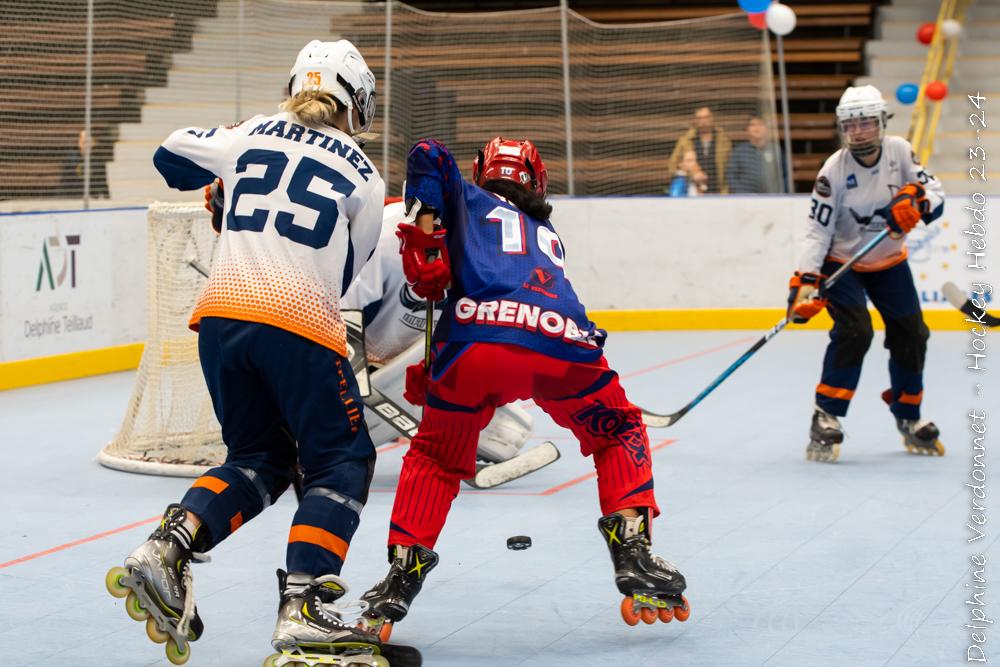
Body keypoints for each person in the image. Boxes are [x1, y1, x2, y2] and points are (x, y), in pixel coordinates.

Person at [104, 40, 386, 666]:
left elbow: (169, 153)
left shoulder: (251, 131)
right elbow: (346, 272)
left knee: (260, 458)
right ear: (356, 103)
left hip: (220, 321)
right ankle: (304, 608)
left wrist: (228, 178)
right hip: (299, 323)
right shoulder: (365, 174)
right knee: (341, 462)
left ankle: (166, 549)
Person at [358, 136, 689, 641]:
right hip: (561, 346)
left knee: (435, 458)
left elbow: (428, 153)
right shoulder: (546, 231)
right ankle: (634, 553)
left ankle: (399, 580)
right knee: (619, 430)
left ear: (481, 172)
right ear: (538, 182)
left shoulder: (468, 199)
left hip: (473, 344)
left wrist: (424, 240)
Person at [786, 85, 945, 463]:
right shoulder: (833, 172)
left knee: (912, 333)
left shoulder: (901, 151)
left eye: (866, 123)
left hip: (888, 261)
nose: (858, 132)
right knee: (855, 331)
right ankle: (826, 415)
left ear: (881, 123)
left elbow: (934, 192)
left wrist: (918, 201)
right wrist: (806, 281)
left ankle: (909, 415)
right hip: (840, 262)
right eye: (850, 125)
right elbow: (817, 230)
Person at [340, 200, 538, 472]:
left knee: (507, 435)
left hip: (421, 353)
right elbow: (342, 312)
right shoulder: (381, 236)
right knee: (331, 442)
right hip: (359, 358)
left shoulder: (481, 243)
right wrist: (353, 384)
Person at [667, 106, 731, 194]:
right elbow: (672, 166)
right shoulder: (685, 141)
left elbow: (730, 168)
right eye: (699, 118)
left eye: (706, 117)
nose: (703, 121)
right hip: (692, 194)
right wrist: (692, 173)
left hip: (718, 193)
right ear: (695, 121)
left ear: (712, 119)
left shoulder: (724, 141)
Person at [727, 114, 787, 194]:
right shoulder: (739, 151)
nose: (757, 128)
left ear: (766, 128)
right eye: (753, 125)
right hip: (746, 200)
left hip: (772, 198)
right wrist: (742, 194)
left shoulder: (775, 150)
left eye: (760, 124)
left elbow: (785, 174)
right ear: (747, 130)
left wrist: (781, 192)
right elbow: (731, 176)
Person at [60, 128, 110, 198]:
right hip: (74, 197)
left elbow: (102, 182)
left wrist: (107, 199)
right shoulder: (71, 159)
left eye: (87, 141)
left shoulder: (98, 161)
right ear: (79, 142)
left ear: (93, 143)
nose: (84, 144)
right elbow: (64, 181)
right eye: (82, 141)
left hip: (92, 198)